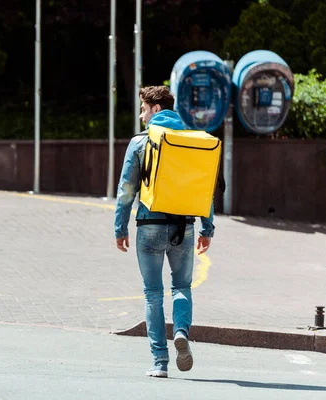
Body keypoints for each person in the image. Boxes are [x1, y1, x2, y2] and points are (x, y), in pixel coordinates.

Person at [114, 85, 215, 378]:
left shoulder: (139, 143)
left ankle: (159, 362)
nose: (142, 115)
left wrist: (120, 227)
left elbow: (126, 190)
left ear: (156, 109)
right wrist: (207, 227)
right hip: (184, 227)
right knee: (181, 287)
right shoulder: (192, 141)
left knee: (153, 294)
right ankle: (181, 331)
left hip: (149, 227)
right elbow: (204, 187)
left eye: (144, 109)